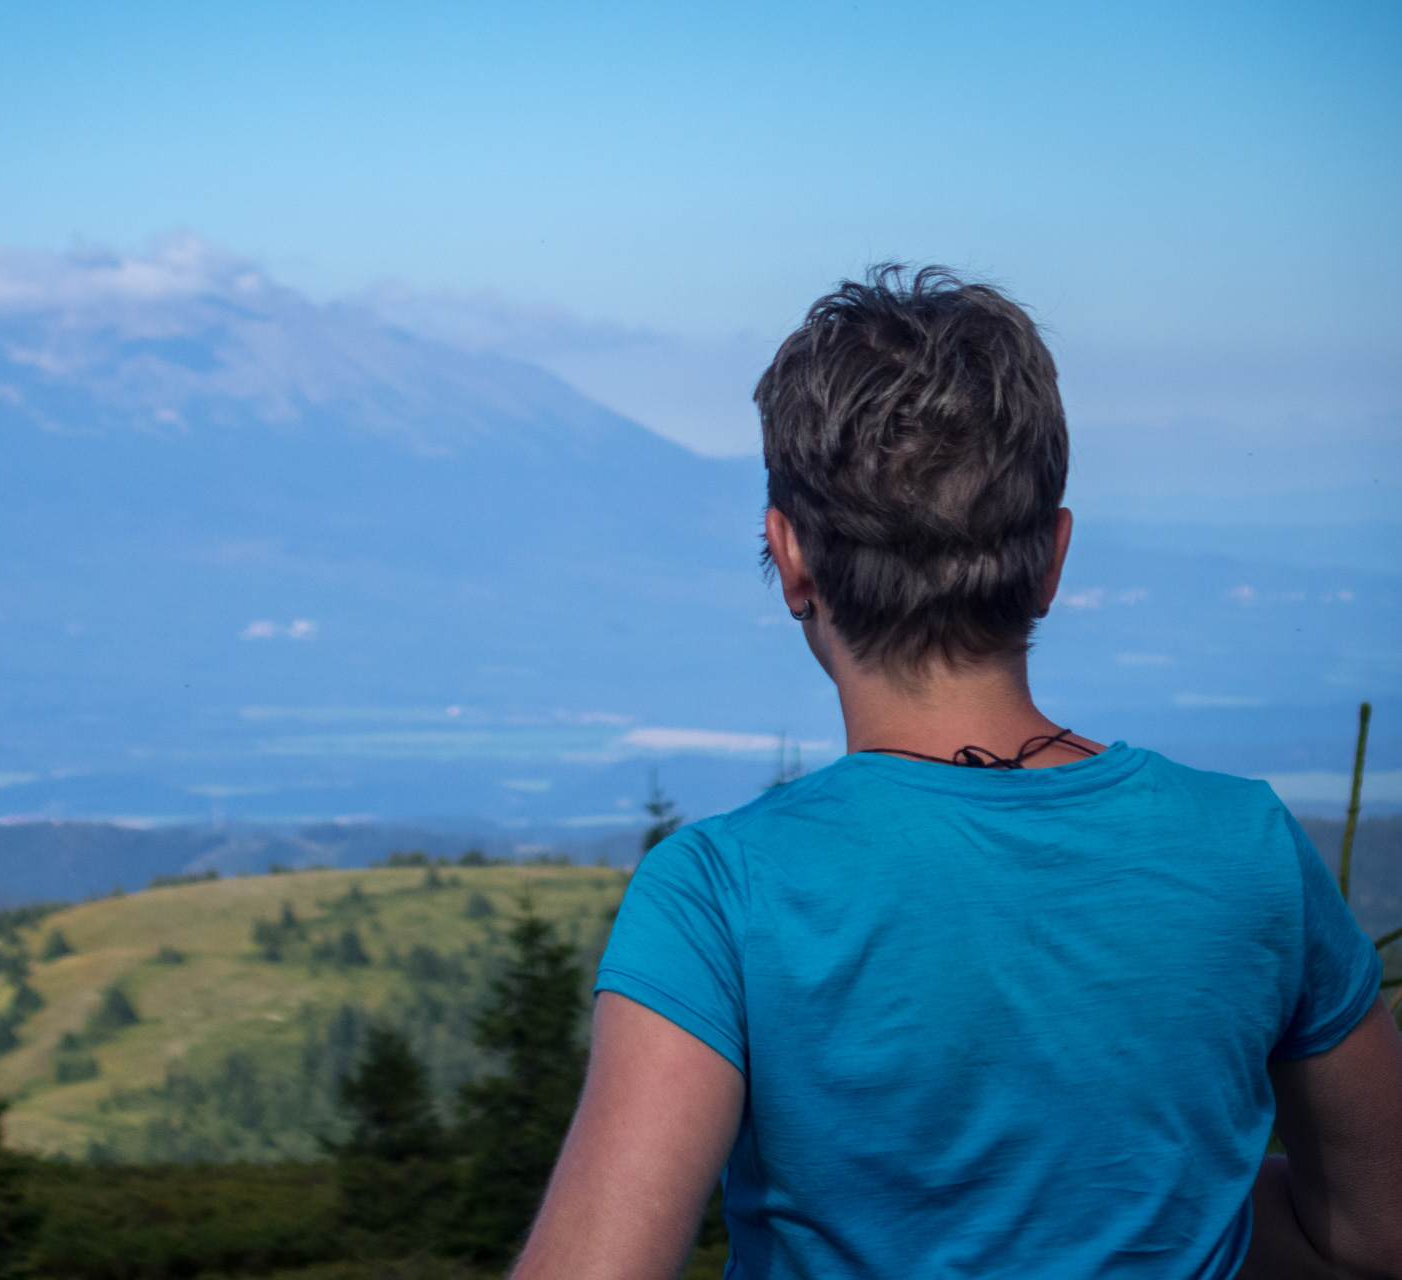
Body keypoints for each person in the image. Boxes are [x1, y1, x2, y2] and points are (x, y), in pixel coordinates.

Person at [512, 266, 1402, 1280]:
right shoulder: (1247, 846)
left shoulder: (720, 893)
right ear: (1052, 557)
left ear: (789, 557)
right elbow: (1373, 1233)